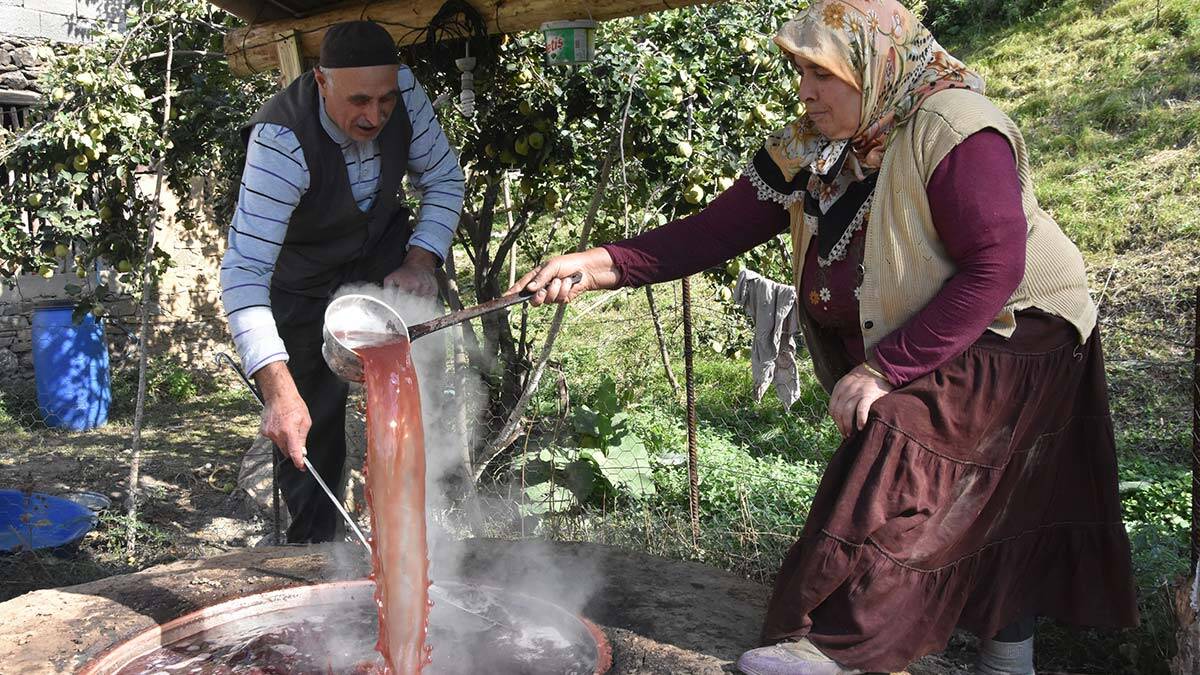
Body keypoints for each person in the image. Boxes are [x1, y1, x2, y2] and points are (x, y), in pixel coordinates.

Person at [510, 1, 1138, 673]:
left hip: (1022, 329)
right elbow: (714, 230)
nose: (805, 91)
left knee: (909, 448)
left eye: (823, 73)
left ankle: (840, 647)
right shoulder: (814, 145)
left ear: (875, 65)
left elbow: (994, 266)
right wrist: (600, 264)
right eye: (799, 71)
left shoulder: (953, 128)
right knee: (972, 494)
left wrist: (884, 368)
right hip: (942, 327)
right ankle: (998, 660)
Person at [220, 21, 464, 543]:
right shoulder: (280, 141)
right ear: (322, 81)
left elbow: (444, 178)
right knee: (311, 425)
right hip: (302, 282)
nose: (374, 116)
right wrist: (277, 392)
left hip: (380, 256)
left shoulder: (405, 93)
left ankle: (416, 544)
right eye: (358, 101)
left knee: (411, 391)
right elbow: (244, 273)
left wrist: (420, 262)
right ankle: (313, 558)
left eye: (385, 100)